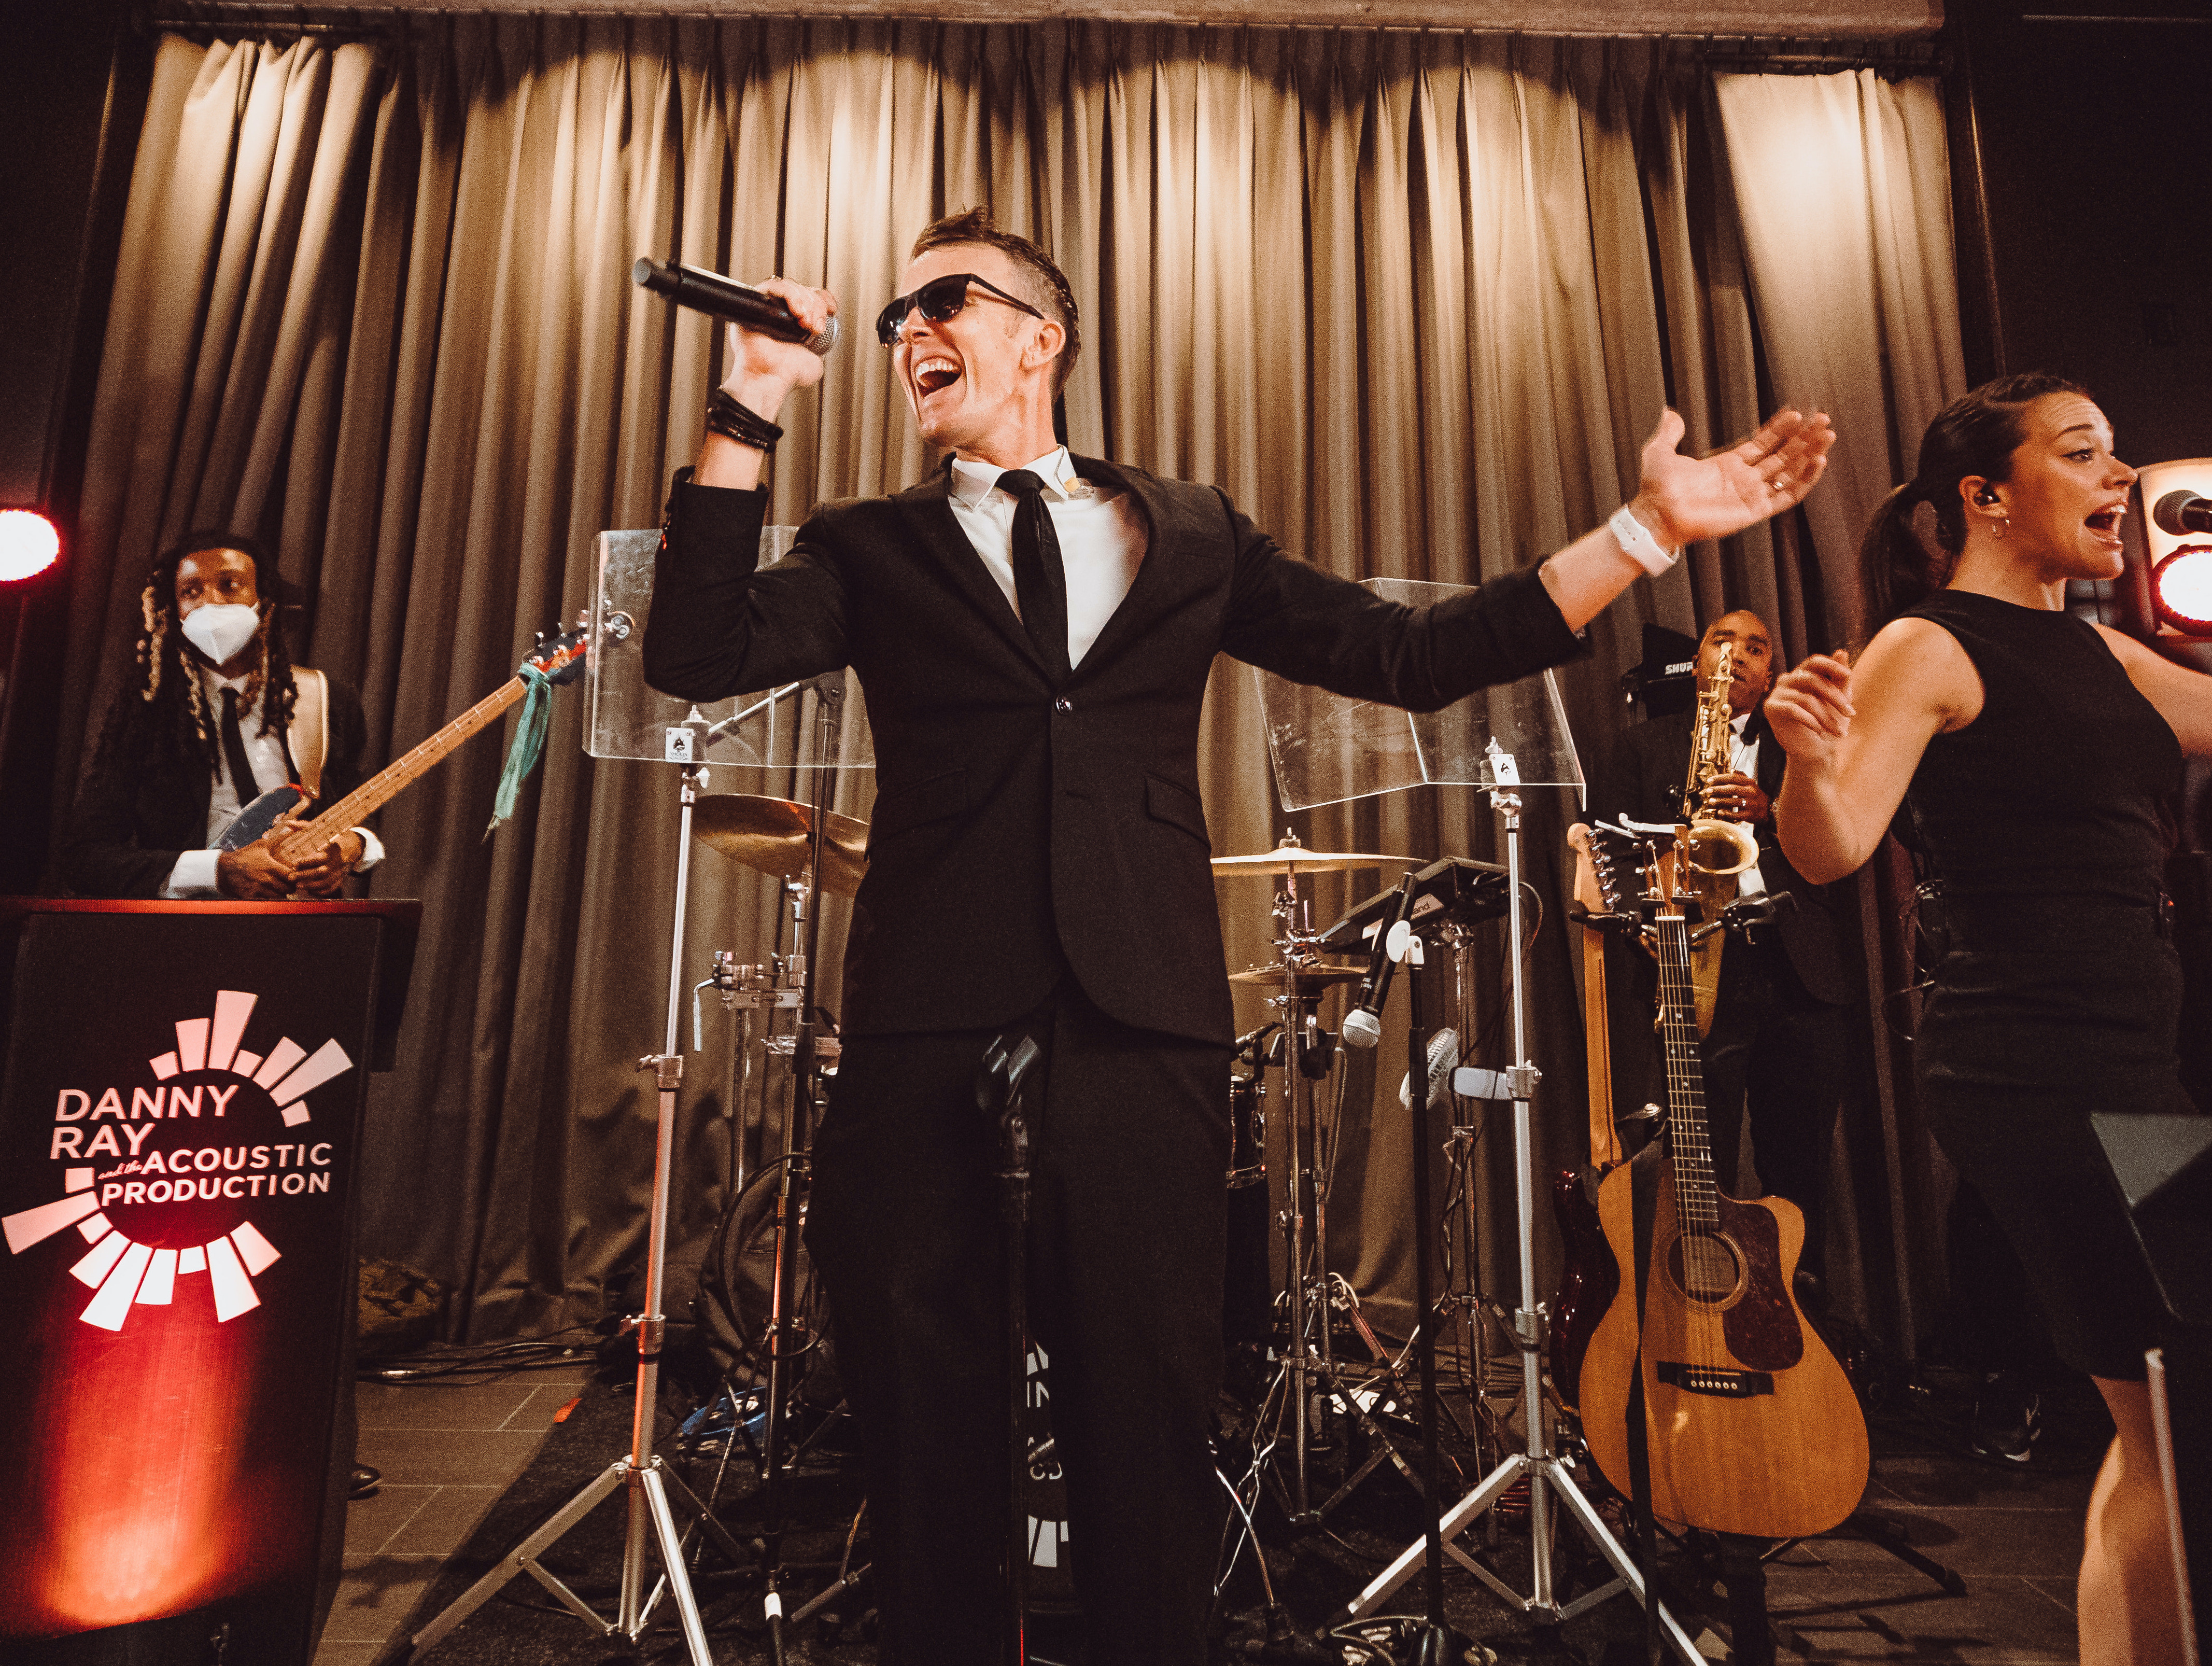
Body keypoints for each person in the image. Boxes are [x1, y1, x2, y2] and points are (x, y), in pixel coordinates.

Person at [644, 207, 1834, 1664]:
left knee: (1144, 1414)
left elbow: (1413, 659)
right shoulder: (868, 546)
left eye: (941, 302)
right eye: (894, 322)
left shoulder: (1190, 529)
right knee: (919, 1414)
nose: (908, 335)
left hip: (1139, 1019)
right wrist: (747, 401)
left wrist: (1646, 531)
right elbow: (694, 653)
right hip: (923, 1016)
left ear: (1043, 334)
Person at [1766, 372, 2194, 1664]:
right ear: (1983, 496)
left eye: (2116, 453)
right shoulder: (1928, 646)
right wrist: (1798, 758)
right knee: (2175, 1410)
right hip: (2032, 1066)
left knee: (2164, 1419)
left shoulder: (2099, 650)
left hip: (2130, 1064)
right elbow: (1833, 846)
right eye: (2082, 455)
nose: (2118, 478)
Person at [1593, 608, 1855, 1275]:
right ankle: (1693, 1321)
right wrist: (1648, 925)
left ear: (1771, 673)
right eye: (1722, 640)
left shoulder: (1804, 747)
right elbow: (1606, 849)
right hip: (1694, 968)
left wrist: (1773, 808)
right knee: (1690, 1163)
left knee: (1798, 1173)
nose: (1736, 654)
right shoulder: (1642, 746)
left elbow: (1845, 841)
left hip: (1798, 972)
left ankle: (1804, 1330)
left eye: (1755, 647)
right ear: (1697, 661)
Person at [63, 531, 382, 901]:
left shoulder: (325, 697)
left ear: (263, 601)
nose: (210, 603)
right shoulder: (147, 713)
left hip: (304, 929)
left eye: (230, 586)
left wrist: (351, 846)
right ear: (175, 609)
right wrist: (215, 870)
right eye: (192, 591)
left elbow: (358, 808)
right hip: (189, 933)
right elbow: (85, 857)